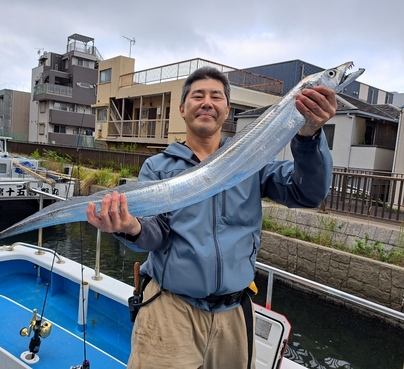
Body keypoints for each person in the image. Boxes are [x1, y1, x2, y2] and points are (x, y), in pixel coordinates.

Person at [86, 66, 336, 369]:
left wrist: (309, 136)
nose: (207, 102)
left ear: (227, 109)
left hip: (234, 313)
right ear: (182, 108)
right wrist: (130, 226)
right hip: (170, 310)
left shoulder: (252, 159)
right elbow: (154, 234)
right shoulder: (158, 168)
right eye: (198, 96)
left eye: (216, 96)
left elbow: (306, 192)